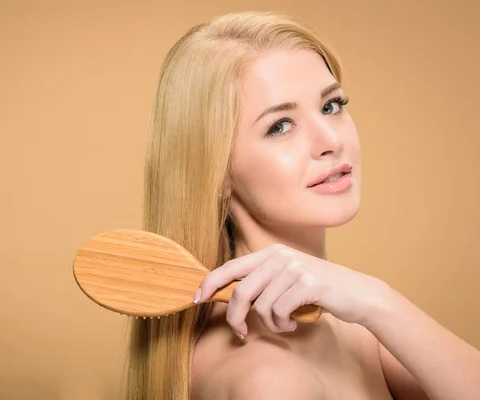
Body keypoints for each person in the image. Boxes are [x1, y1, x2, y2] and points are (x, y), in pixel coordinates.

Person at [123, 10, 480, 400]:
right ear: (217, 175)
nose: (330, 138)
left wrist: (377, 301)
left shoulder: (350, 323)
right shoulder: (269, 379)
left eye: (331, 106)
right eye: (280, 125)